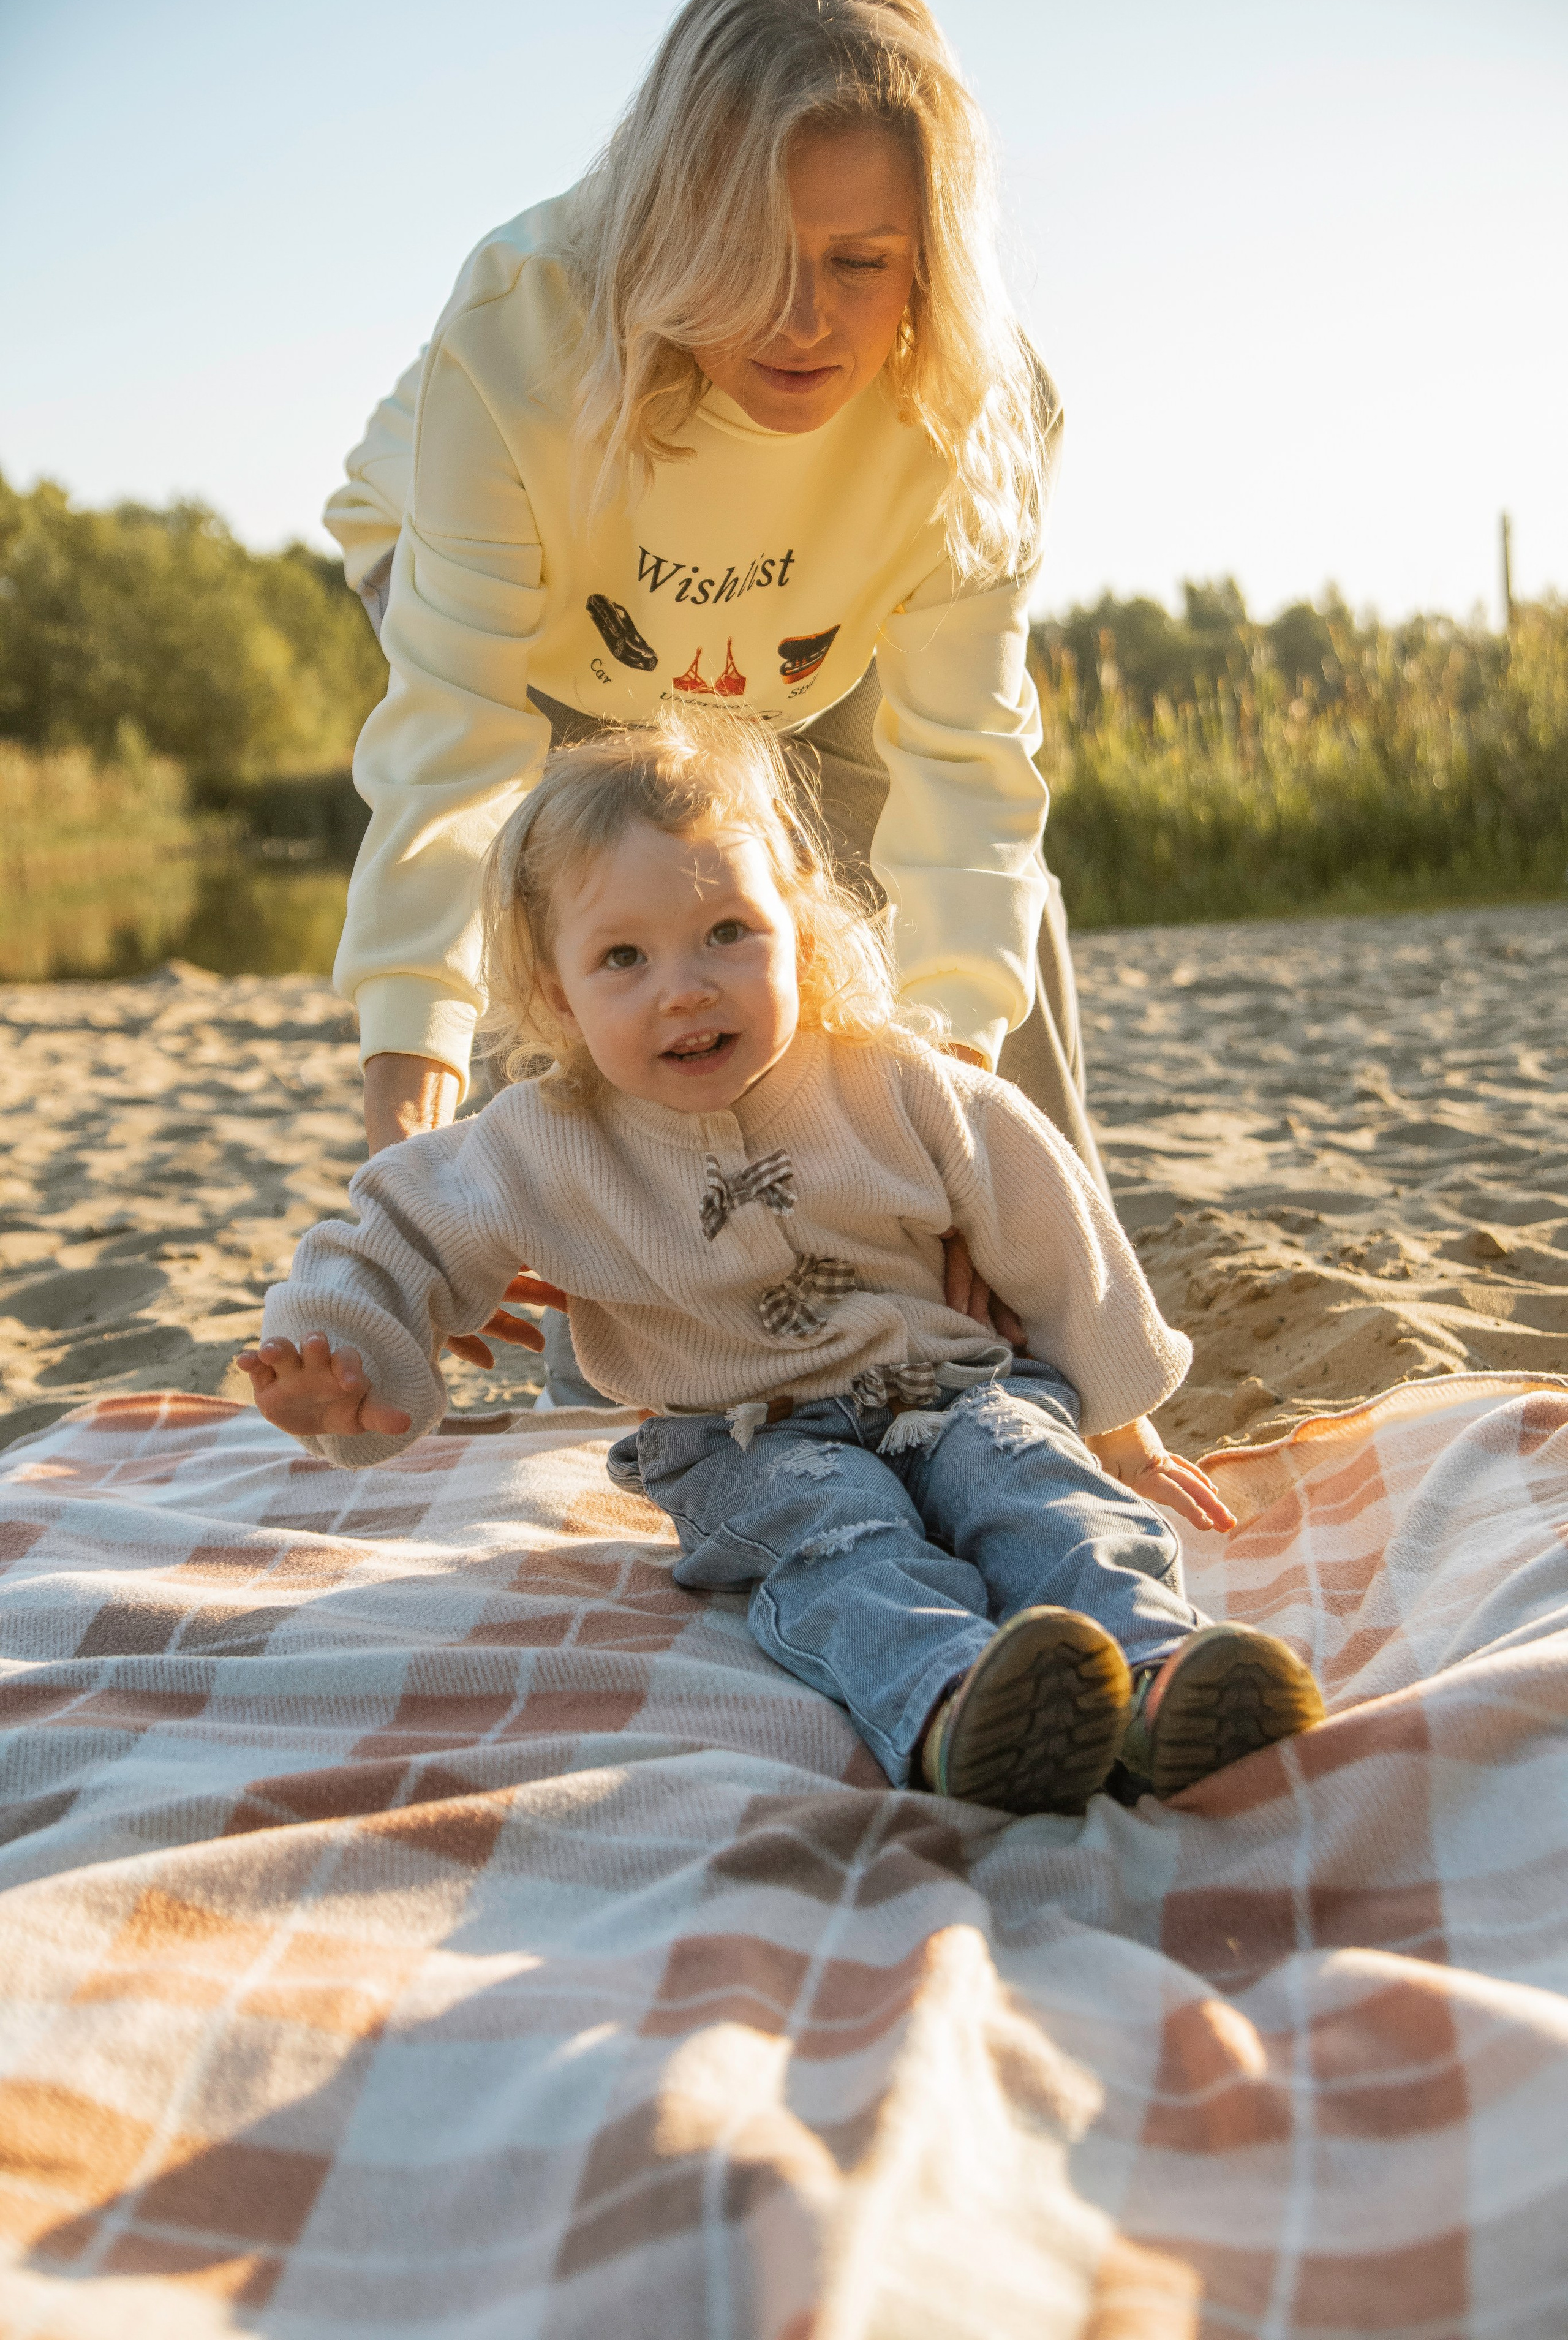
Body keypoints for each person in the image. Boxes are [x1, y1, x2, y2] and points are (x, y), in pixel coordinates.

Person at [239, 709, 1324, 1814]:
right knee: (839, 1538)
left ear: (796, 926)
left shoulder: (888, 1082)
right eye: (623, 956)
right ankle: (959, 1703)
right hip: (743, 1435)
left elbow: (1047, 1221)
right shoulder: (543, 1140)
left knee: (1034, 1487)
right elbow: (396, 1229)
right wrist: (348, 1352)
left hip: (947, 1388)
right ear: (559, 993)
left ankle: (1160, 1675)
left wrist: (1121, 1427)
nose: (686, 987)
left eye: (728, 932)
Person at [324, 0, 1105, 1406]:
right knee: (613, 901)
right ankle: (627, 1369)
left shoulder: (979, 407)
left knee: (930, 940)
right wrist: (406, 1077)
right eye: (748, 258)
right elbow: (453, 751)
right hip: (542, 621)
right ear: (671, 228)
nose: (802, 317)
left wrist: (943, 1138)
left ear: (929, 258)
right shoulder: (524, 327)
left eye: (860, 262)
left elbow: (967, 783)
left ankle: (1024, 1305)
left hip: (813, 631)